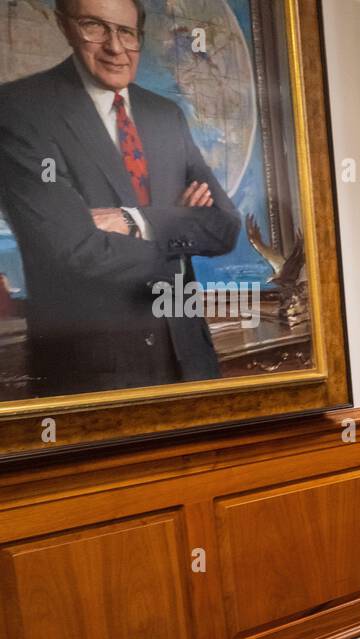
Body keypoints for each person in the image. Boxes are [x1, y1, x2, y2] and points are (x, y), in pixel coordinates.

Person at [0, 0, 240, 397]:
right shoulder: (19, 110)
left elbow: (225, 227)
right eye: (95, 26)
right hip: (93, 375)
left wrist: (136, 221)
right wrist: (181, 230)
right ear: (66, 26)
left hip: (190, 360)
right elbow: (72, 249)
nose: (115, 46)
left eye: (126, 32)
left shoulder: (166, 114)